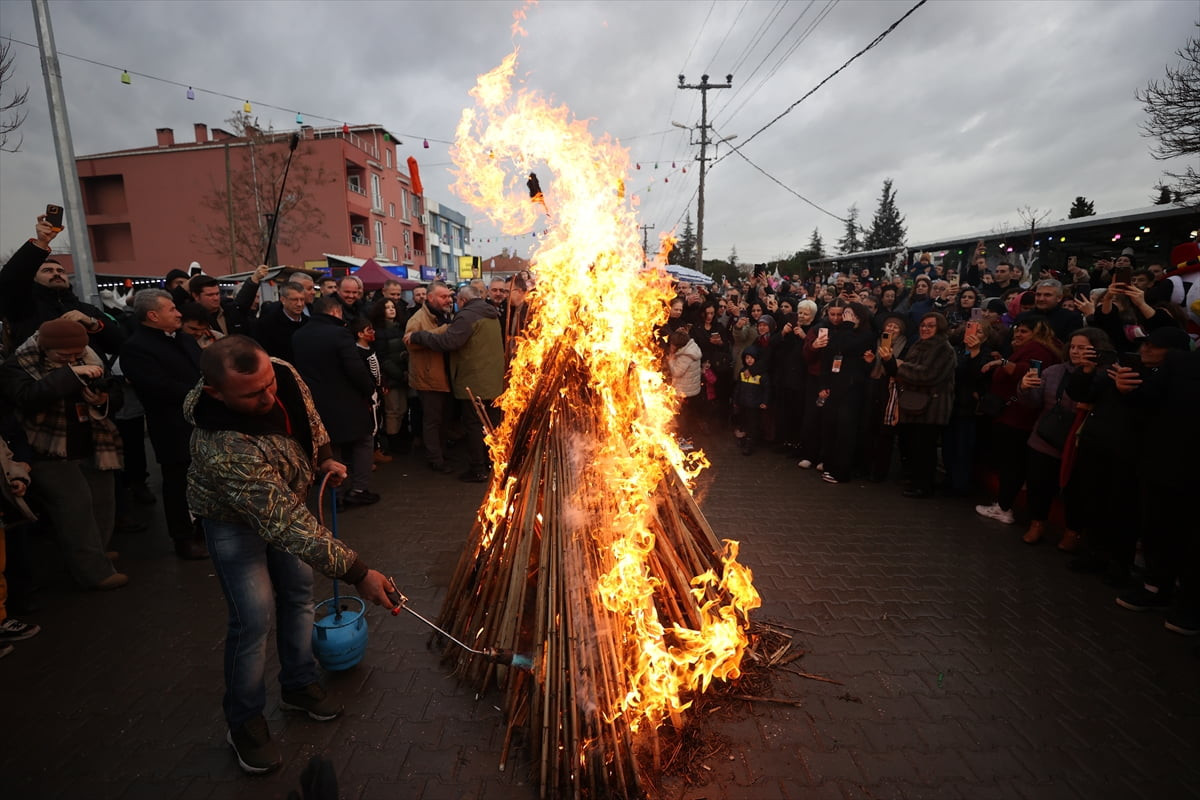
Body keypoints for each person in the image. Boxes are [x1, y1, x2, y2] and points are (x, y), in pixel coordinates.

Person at [185, 335, 396, 775]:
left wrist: (322, 459)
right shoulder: (224, 446)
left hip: (289, 501)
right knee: (253, 618)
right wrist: (357, 571)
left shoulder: (278, 369)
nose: (268, 396)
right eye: (252, 394)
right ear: (215, 392)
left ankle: (298, 684)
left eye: (268, 384)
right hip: (235, 524)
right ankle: (243, 721)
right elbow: (282, 523)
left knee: (300, 594)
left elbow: (308, 416)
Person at [0, 319, 127, 589]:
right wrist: (72, 374)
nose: (71, 358)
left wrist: (103, 398)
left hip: (92, 439)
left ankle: (97, 552)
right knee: (75, 510)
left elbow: (115, 390)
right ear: (45, 348)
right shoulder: (18, 364)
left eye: (76, 354)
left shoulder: (89, 355)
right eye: (63, 356)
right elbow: (27, 397)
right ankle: (93, 572)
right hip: (47, 447)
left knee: (102, 502)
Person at [118, 289, 209, 560]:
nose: (179, 313)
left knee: (207, 480)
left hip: (203, 422)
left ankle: (207, 531)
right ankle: (183, 538)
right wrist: (201, 393)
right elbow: (157, 387)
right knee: (178, 483)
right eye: (172, 309)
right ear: (153, 315)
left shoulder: (184, 339)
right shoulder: (136, 348)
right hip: (171, 427)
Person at [404, 284, 504, 483]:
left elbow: (448, 342)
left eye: (453, 298)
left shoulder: (467, 315)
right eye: (444, 296)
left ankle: (478, 468)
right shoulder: (490, 313)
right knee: (489, 424)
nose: (451, 301)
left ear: (463, 301)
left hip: (474, 380)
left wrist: (420, 336)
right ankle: (490, 462)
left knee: (474, 425)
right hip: (490, 379)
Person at [974, 316, 1062, 525]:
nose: (1018, 334)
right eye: (1017, 330)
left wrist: (1002, 362)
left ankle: (1004, 508)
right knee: (1011, 464)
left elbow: (1026, 372)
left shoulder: (1039, 351)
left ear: (1036, 333)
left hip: (1016, 416)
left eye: (1024, 331)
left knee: (1011, 464)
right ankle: (1005, 503)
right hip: (1015, 415)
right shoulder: (1037, 348)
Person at [291, 297, 379, 507]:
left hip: (316, 400)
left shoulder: (299, 335)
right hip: (347, 400)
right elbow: (355, 368)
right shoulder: (339, 333)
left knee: (331, 447)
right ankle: (359, 489)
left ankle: (334, 496)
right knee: (363, 442)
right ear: (335, 313)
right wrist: (369, 390)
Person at [0, 215, 125, 359]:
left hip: (96, 378)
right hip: (45, 379)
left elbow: (119, 345)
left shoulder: (87, 310)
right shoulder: (23, 307)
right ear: (33, 278)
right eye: (47, 271)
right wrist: (41, 243)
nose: (56, 274)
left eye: (61, 271)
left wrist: (92, 324)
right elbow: (9, 280)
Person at [879, 312, 956, 498]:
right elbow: (898, 372)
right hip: (912, 403)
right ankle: (914, 479)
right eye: (923, 325)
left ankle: (924, 485)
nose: (925, 328)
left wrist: (901, 365)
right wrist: (890, 361)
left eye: (930, 326)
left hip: (932, 406)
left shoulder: (944, 349)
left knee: (925, 447)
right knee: (912, 445)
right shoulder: (918, 344)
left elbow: (928, 374)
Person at [405, 282, 455, 473]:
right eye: (443, 297)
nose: (448, 300)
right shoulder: (417, 319)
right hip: (428, 378)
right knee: (433, 420)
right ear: (430, 297)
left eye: (449, 296)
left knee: (444, 418)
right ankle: (435, 459)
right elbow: (410, 342)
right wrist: (444, 331)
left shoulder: (442, 315)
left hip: (443, 376)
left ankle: (441, 452)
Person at [188, 275, 253, 338]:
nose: (216, 298)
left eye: (217, 294)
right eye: (210, 295)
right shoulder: (190, 317)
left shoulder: (231, 311)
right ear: (196, 296)